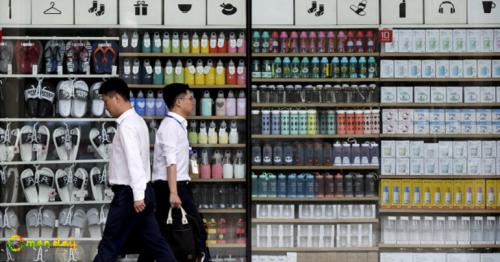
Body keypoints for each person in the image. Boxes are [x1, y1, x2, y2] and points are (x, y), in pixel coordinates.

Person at [93, 78, 177, 262]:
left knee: (109, 244)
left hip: (129, 194)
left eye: (105, 101)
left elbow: (134, 161)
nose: (106, 107)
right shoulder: (138, 121)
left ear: (116, 98)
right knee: (155, 242)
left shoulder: (127, 126)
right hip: (141, 190)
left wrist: (137, 195)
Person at [139, 83, 211, 262]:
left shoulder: (178, 125)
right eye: (190, 98)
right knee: (197, 229)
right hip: (171, 187)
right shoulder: (170, 126)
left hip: (173, 186)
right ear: (178, 102)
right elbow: (170, 162)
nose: (192, 102)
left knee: (160, 234)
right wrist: (173, 192)